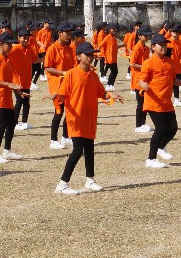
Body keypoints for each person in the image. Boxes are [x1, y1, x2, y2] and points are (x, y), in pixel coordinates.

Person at [49, 41, 125, 194]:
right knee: (78, 150)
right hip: (76, 119)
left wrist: (111, 95)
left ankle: (90, 180)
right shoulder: (71, 74)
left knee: (89, 149)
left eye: (92, 54)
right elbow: (63, 94)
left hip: (90, 118)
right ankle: (62, 183)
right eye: (87, 54)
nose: (91, 57)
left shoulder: (93, 75)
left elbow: (101, 93)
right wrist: (57, 96)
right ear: (78, 56)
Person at [140, 34, 181, 168]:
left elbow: (173, 80)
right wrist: (143, 85)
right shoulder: (148, 62)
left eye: (165, 45)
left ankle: (160, 148)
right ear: (153, 47)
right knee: (160, 128)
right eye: (161, 45)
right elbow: (141, 79)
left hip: (166, 102)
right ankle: (151, 159)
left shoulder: (170, 62)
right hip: (154, 102)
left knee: (173, 128)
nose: (164, 47)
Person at [0, 32, 28, 163]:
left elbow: (12, 79)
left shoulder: (8, 59)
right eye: (8, 44)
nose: (11, 46)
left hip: (7, 98)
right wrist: (7, 84)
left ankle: (7, 151)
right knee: (2, 124)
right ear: (0, 45)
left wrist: (19, 92)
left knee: (11, 123)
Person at [45, 25, 77, 149]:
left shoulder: (70, 49)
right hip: (57, 85)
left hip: (69, 84)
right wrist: (63, 73)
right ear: (60, 33)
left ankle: (65, 137)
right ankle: (53, 140)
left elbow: (74, 66)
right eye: (67, 33)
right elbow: (48, 67)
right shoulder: (52, 49)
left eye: (70, 33)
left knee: (69, 111)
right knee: (59, 112)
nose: (70, 36)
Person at [11, 29, 37, 131]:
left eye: (27, 38)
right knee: (19, 101)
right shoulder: (15, 49)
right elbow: (5, 56)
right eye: (24, 38)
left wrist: (46, 58)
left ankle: (24, 122)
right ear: (18, 38)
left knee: (26, 102)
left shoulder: (29, 48)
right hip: (17, 81)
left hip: (26, 80)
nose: (26, 39)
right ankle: (15, 122)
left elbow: (35, 60)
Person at [129, 27, 153, 133]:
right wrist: (144, 66)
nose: (147, 37)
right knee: (140, 103)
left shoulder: (146, 49)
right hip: (138, 79)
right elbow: (132, 63)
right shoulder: (137, 48)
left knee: (144, 103)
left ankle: (143, 124)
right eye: (145, 35)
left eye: (148, 36)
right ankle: (138, 125)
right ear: (139, 36)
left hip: (144, 78)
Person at [101, 24, 119, 91]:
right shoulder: (107, 38)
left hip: (114, 58)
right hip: (109, 58)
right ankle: (109, 84)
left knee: (115, 72)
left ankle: (110, 84)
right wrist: (99, 53)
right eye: (113, 29)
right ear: (109, 30)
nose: (114, 30)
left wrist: (122, 45)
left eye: (115, 29)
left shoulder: (114, 38)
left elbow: (115, 47)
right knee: (114, 71)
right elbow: (101, 45)